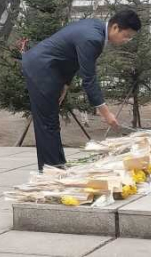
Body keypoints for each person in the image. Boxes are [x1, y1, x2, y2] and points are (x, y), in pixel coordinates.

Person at [21, 9, 142, 170]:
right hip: (41, 68)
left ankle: (56, 167)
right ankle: (52, 170)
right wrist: (106, 113)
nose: (126, 40)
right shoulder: (93, 38)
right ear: (115, 28)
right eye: (126, 36)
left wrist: (65, 84)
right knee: (47, 123)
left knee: (50, 122)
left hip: (50, 69)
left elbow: (72, 57)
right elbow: (89, 79)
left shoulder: (96, 28)